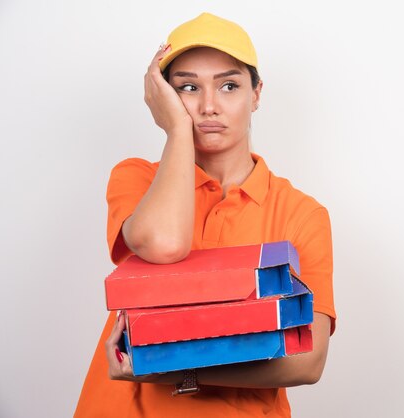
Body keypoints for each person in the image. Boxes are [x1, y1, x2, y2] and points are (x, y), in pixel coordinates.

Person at [74, 12, 336, 417]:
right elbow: (165, 244)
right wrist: (178, 131)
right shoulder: (136, 179)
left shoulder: (301, 213)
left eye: (229, 85)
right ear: (163, 98)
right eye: (188, 88)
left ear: (256, 94)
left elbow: (308, 360)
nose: (209, 106)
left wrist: (165, 371)